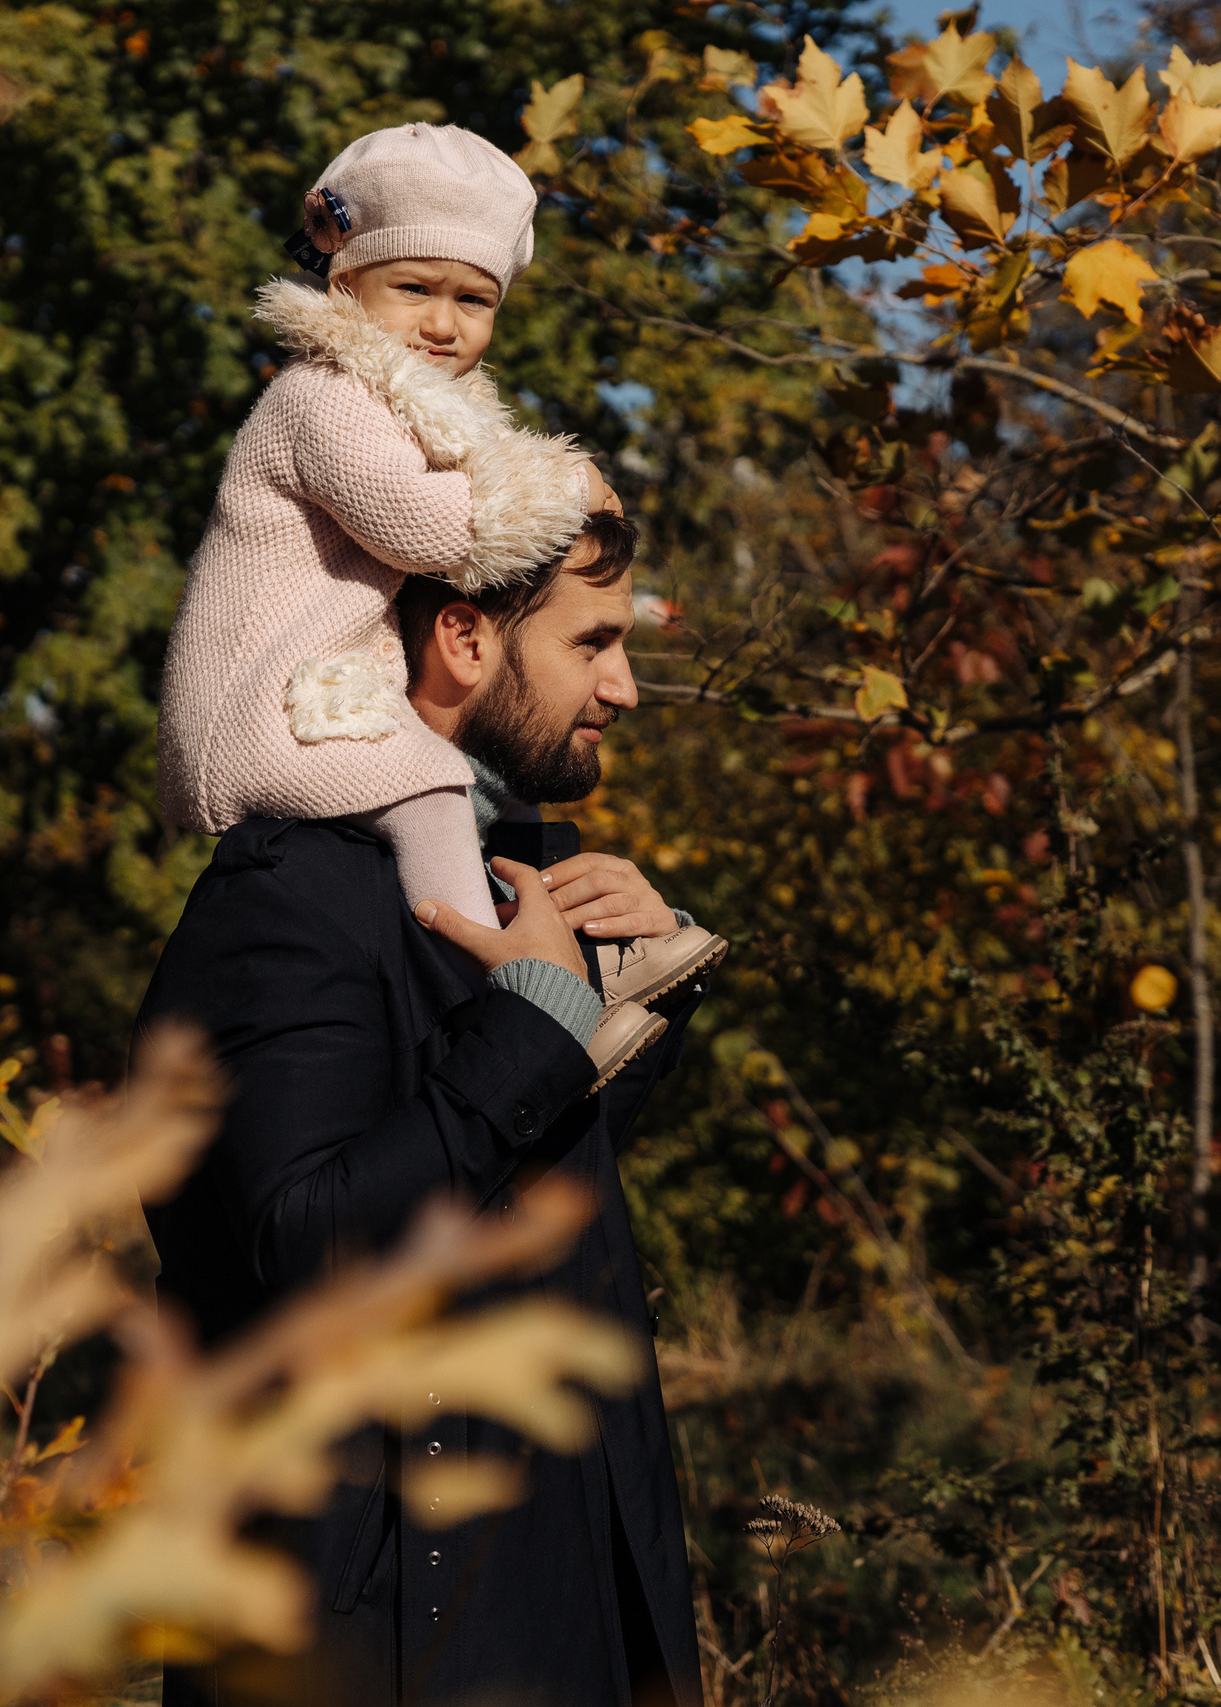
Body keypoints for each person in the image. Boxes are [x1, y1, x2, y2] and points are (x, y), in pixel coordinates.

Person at [139, 509, 706, 1707]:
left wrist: (634, 1006)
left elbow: (507, 1206)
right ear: (462, 638)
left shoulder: (509, 869)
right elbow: (300, 1243)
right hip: (386, 1633)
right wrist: (537, 1018)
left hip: (551, 1586)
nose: (627, 687)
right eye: (593, 644)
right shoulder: (296, 887)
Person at [156, 121, 723, 1088]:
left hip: (330, 688)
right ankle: (522, 1001)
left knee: (465, 791)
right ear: (345, 283)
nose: (443, 324)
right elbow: (427, 531)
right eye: (413, 288)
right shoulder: (323, 397)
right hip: (258, 705)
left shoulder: (417, 407)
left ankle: (572, 966)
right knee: (429, 786)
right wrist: (567, 482)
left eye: (475, 300)